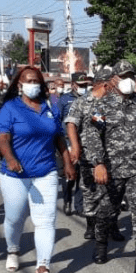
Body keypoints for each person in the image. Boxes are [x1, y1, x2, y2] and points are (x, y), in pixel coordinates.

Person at [84, 60, 136, 273]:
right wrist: (98, 163)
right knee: (106, 212)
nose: (127, 80)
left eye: (131, 75)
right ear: (113, 80)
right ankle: (101, 243)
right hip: (111, 170)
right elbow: (92, 137)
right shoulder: (102, 105)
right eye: (123, 76)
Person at [0, 66, 75, 273]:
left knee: (45, 220)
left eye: (36, 80)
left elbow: (59, 137)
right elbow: (2, 139)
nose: (32, 84)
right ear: (19, 84)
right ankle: (13, 249)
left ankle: (43, 267)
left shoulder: (50, 107)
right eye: (27, 80)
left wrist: (67, 161)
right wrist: (10, 158)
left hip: (46, 172)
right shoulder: (10, 108)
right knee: (14, 217)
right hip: (15, 174)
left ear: (41, 84)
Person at [65, 66, 125, 241]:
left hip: (113, 158)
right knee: (90, 193)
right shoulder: (82, 103)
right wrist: (75, 147)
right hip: (88, 157)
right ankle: (91, 226)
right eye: (114, 84)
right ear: (105, 84)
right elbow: (71, 125)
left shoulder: (114, 103)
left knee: (114, 193)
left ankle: (112, 225)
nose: (117, 87)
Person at [57, 73, 89, 216]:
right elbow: (58, 122)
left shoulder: (89, 99)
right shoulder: (64, 100)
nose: (83, 88)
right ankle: (67, 201)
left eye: (85, 85)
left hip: (85, 142)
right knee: (70, 176)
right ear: (73, 84)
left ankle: (79, 206)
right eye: (81, 85)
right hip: (68, 142)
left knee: (83, 176)